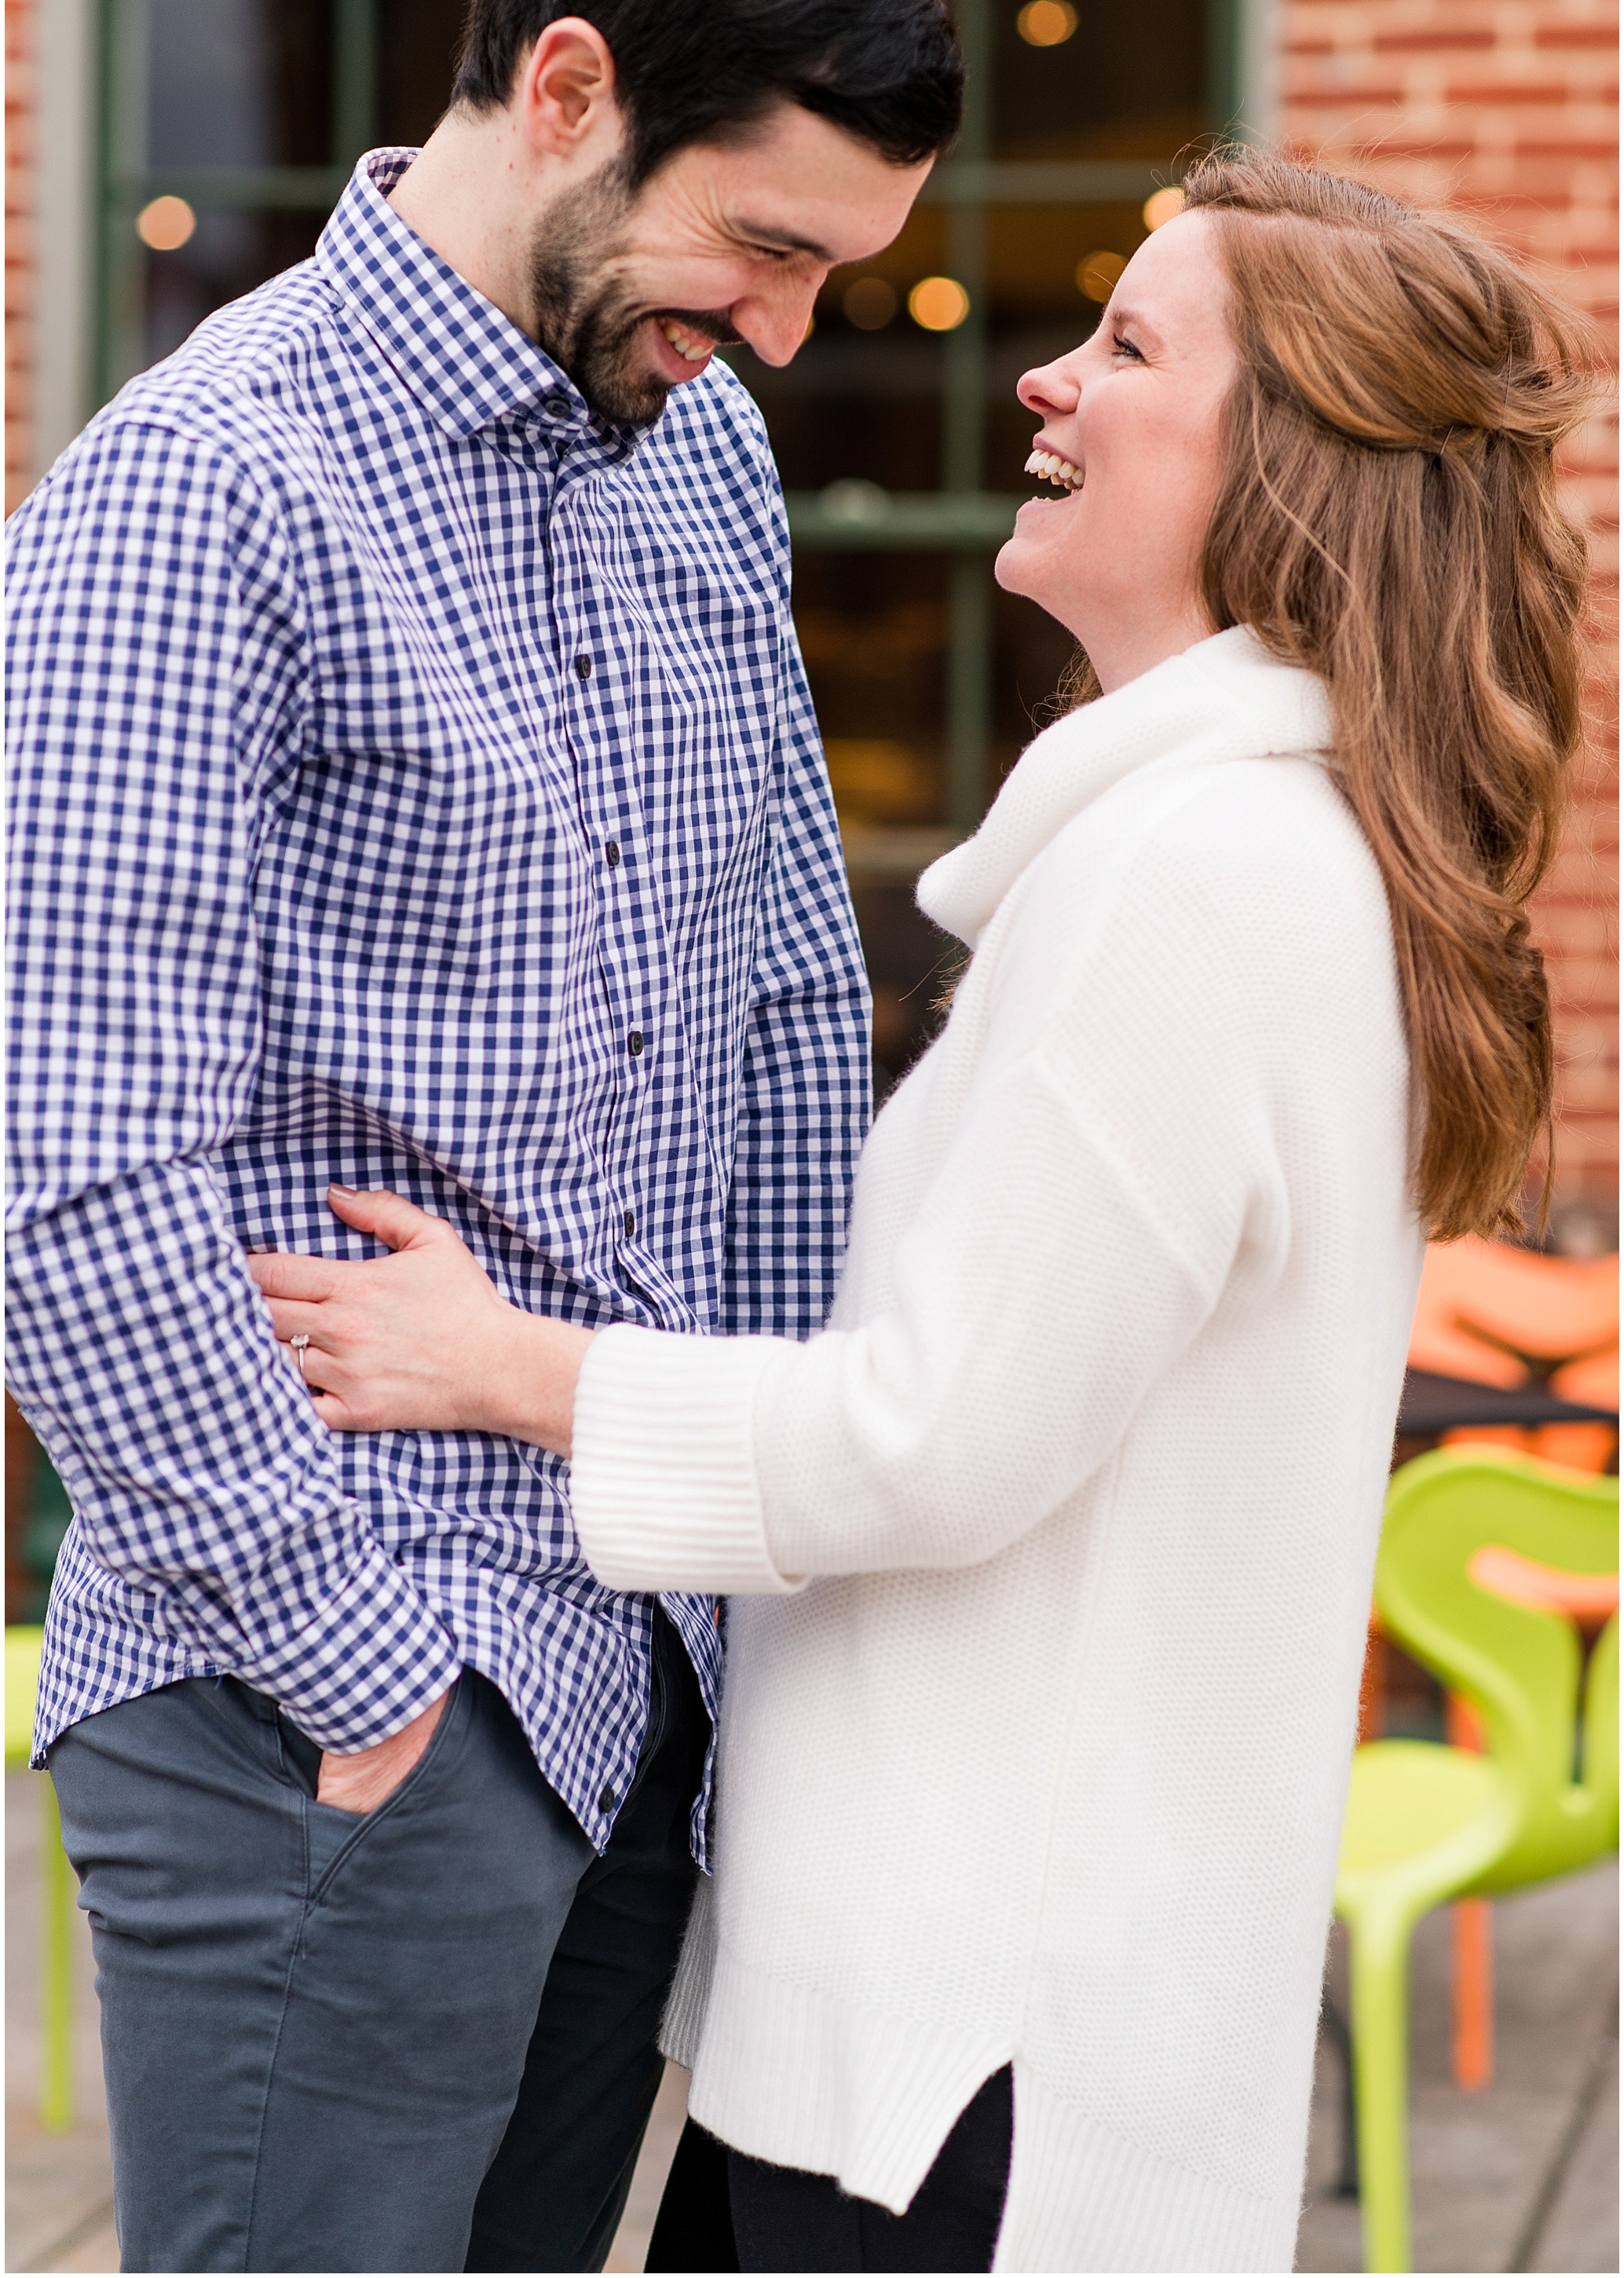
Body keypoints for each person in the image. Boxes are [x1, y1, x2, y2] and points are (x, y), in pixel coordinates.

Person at [250, 152, 1595, 2273]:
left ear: (1295, 465)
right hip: (966, 2033)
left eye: (1130, 346)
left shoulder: (1195, 883)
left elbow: (936, 1436)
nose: (1043, 382)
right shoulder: (1227, 850)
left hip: (967, 2063)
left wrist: (511, 1371)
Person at [5, 0, 960, 2271]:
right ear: (567, 92)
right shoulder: (195, 497)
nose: (772, 329)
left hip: (648, 1666)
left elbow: (766, 1021)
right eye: (761, 247)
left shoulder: (696, 461)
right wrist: (357, 1673)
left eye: (828, 273)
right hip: (333, 1702)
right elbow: (71, 1159)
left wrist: (759, 1560)